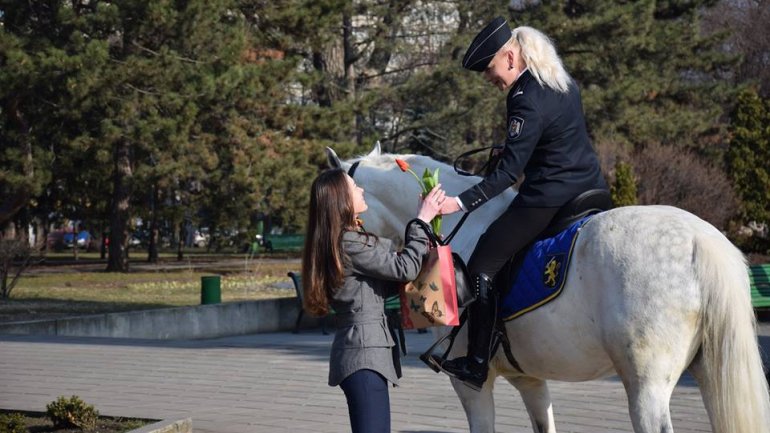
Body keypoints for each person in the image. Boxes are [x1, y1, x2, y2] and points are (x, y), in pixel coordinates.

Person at [435, 17, 609, 390]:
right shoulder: (561, 82)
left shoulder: (524, 97)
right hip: (591, 189)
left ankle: (477, 361)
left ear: (510, 57)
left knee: (482, 265)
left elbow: (504, 177)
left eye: (491, 70)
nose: (491, 80)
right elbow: (553, 142)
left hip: (547, 199)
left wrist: (457, 203)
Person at [301, 168, 446, 433]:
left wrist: (426, 240)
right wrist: (421, 222)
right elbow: (404, 268)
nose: (361, 190)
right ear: (341, 199)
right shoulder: (349, 243)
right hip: (363, 356)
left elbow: (390, 278)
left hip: (364, 352)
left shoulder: (343, 240)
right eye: (354, 187)